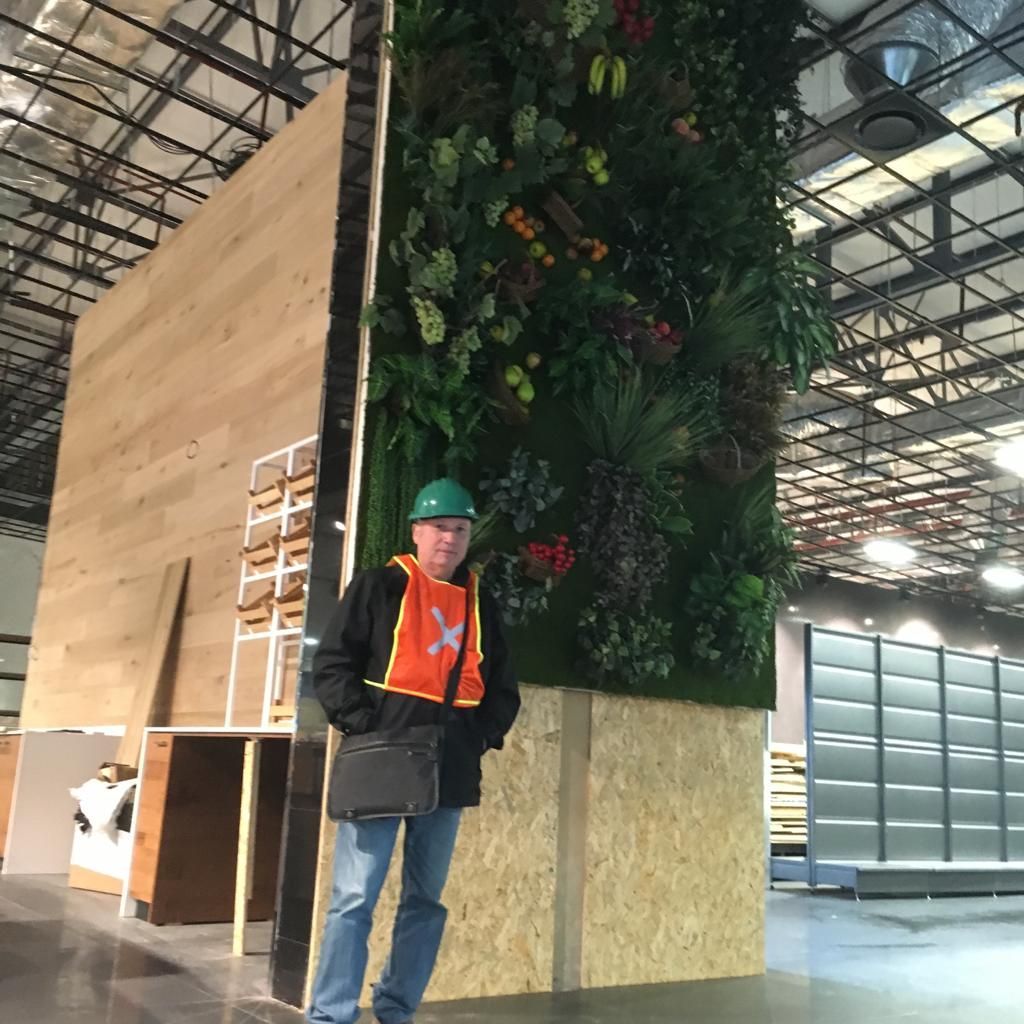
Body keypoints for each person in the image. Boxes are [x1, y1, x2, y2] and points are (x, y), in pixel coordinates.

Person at [307, 477, 521, 1024]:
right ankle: (331, 1014)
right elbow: (332, 665)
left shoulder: (481, 604)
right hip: (380, 765)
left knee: (425, 902)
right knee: (354, 900)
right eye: (440, 528)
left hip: (448, 772)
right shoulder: (379, 587)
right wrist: (365, 725)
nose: (449, 539)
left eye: (461, 529)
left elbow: (502, 688)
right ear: (418, 532)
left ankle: (396, 1008)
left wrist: (478, 738)